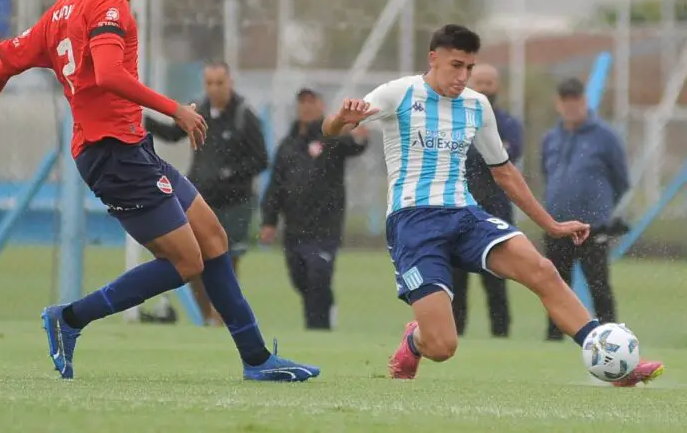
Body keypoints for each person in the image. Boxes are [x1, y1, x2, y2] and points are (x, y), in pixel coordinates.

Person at [0, 0, 319, 383]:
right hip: (112, 155)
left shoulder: (62, 8)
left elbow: (7, 59)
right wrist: (175, 109)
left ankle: (257, 359)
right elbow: (107, 74)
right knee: (187, 262)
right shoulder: (108, 3)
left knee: (213, 238)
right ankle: (70, 318)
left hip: (130, 148)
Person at [322, 24, 662, 387]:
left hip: (465, 216)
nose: (463, 76)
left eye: (469, 68)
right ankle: (415, 339)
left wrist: (552, 225)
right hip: (413, 222)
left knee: (544, 271)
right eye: (456, 65)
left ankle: (615, 367)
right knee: (442, 346)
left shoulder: (476, 105)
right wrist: (343, 117)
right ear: (433, 59)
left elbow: (505, 173)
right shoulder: (400, 93)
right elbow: (331, 129)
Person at [144, 60, 268, 325]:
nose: (214, 88)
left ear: (230, 83)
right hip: (201, 198)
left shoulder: (244, 114)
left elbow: (261, 160)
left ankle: (224, 316)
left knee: (227, 260)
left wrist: (229, 173)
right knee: (192, 259)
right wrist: (143, 119)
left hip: (235, 202)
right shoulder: (198, 110)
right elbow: (172, 133)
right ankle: (208, 318)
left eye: (219, 83)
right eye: (209, 83)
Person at [260, 88, 368, 330]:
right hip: (294, 227)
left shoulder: (331, 137)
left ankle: (317, 331)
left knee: (318, 276)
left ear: (321, 105)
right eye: (302, 102)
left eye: (312, 101)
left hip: (325, 227)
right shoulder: (288, 145)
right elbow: (275, 185)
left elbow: (354, 145)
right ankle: (326, 308)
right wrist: (269, 221)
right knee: (301, 279)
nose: (307, 107)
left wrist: (360, 135)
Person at [541, 77, 629, 341]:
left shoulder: (606, 137)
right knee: (555, 286)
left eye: (575, 100)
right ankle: (553, 339)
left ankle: (612, 339)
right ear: (558, 103)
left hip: (593, 227)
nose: (571, 106)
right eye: (565, 101)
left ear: (584, 101)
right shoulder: (551, 138)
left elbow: (621, 180)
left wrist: (598, 209)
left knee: (598, 285)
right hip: (557, 226)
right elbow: (548, 172)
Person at [452, 64, 523, 338]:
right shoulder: (453, 120)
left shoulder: (509, 125)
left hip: (496, 215)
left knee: (496, 283)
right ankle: (455, 336)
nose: (485, 88)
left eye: (490, 83)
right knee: (456, 284)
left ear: (498, 87)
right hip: (457, 212)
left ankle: (501, 337)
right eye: (479, 82)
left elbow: (502, 160)